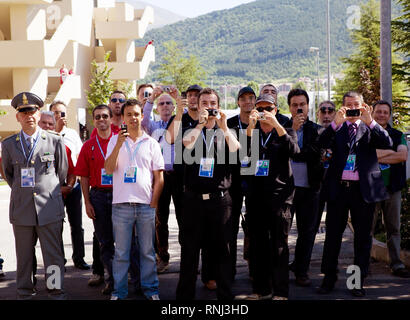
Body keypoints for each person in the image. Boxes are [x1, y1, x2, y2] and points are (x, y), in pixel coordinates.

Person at [317, 91, 393, 297]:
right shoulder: (337, 128)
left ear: (363, 107)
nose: (352, 109)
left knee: (361, 239)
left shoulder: (369, 128)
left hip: (362, 192)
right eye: (348, 105)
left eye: (356, 106)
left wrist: (371, 122)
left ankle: (356, 281)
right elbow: (321, 144)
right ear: (342, 107)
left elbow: (387, 143)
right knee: (333, 236)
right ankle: (329, 279)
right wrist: (335, 123)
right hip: (339, 190)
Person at [175, 88, 240, 300]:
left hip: (220, 202)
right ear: (198, 105)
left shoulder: (226, 130)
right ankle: (184, 300)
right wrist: (201, 124)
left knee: (223, 252)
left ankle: (226, 299)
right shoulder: (190, 128)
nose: (209, 107)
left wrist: (223, 127)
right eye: (205, 103)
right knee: (190, 253)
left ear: (218, 106)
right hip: (193, 201)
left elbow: (238, 151)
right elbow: (185, 145)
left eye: (213, 103)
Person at [1, 92, 68, 299]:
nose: (28, 115)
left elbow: (62, 173)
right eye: (23, 112)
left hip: (49, 208)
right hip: (22, 211)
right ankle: (24, 293)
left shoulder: (55, 141)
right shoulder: (9, 144)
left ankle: (55, 292)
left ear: (39, 114)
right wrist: (24, 193)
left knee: (53, 257)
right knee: (24, 258)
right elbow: (9, 176)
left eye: (32, 111)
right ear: (17, 117)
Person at [234, 94, 299, 300]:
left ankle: (281, 291)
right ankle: (261, 289)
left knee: (279, 244)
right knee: (258, 245)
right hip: (256, 197)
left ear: (276, 111)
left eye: (268, 109)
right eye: (260, 108)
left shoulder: (285, 130)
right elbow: (241, 155)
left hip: (280, 197)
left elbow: (295, 151)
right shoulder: (252, 132)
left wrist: (277, 126)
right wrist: (251, 127)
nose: (264, 113)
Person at [105, 99, 164, 300]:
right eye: (128, 114)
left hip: (146, 205)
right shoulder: (114, 140)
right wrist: (119, 144)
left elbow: (159, 178)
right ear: (123, 118)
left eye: (136, 114)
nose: (133, 118)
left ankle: (151, 290)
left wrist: (154, 204)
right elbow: (108, 169)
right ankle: (118, 292)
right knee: (121, 254)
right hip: (121, 205)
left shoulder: (152, 143)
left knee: (147, 252)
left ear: (142, 116)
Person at [165, 84, 218, 290]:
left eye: (198, 96)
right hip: (185, 184)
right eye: (191, 96)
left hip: (212, 185)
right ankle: (188, 279)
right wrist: (179, 111)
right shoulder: (183, 119)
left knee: (211, 238)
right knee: (188, 235)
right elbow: (169, 138)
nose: (194, 99)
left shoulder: (215, 121)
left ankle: (209, 275)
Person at [285, 88, 324, 287]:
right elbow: (279, 151)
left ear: (308, 106)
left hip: (310, 188)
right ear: (289, 107)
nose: (299, 108)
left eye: (302, 104)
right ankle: (281, 269)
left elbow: (311, 154)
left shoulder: (317, 130)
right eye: (295, 105)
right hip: (286, 189)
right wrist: (292, 129)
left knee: (307, 232)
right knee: (282, 232)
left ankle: (301, 270)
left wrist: (293, 152)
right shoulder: (281, 126)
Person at [75, 105, 116, 295]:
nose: (101, 120)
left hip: (120, 195)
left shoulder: (120, 140)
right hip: (98, 196)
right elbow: (83, 177)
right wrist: (87, 202)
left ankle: (134, 277)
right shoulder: (88, 145)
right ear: (93, 120)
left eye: (105, 116)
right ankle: (112, 280)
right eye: (98, 117)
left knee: (128, 241)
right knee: (105, 241)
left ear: (110, 118)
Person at [141, 86, 183, 273]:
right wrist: (151, 99)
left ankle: (187, 257)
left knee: (185, 218)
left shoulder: (181, 122)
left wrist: (178, 97)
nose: (165, 106)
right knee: (160, 219)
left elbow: (188, 111)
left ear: (173, 107)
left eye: (169, 103)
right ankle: (162, 257)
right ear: (157, 108)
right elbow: (143, 119)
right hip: (160, 176)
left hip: (179, 175)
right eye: (162, 103)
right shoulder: (153, 127)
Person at [372, 100, 410, 278]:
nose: (381, 115)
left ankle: (396, 263)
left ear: (389, 115)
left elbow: (402, 156)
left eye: (385, 112)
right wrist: (389, 153)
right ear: (372, 113)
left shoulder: (397, 134)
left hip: (392, 188)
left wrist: (378, 155)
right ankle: (364, 263)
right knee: (367, 228)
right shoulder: (366, 134)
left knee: (393, 228)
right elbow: (367, 156)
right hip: (371, 188)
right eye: (378, 111)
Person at [50, 101, 89, 270]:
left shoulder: (72, 134)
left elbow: (79, 157)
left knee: (76, 224)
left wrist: (75, 181)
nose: (60, 116)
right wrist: (56, 131)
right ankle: (60, 260)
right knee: (56, 225)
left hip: (73, 185)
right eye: (56, 113)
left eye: (62, 113)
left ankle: (79, 258)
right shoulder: (46, 135)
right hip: (54, 186)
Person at [227, 86, 256, 280]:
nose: (247, 101)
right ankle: (229, 271)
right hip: (234, 180)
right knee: (230, 227)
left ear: (255, 101)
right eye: (243, 98)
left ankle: (254, 270)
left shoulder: (261, 123)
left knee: (254, 227)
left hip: (254, 180)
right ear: (238, 102)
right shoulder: (229, 124)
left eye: (251, 98)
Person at [315, 101, 337, 233]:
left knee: (334, 228)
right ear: (318, 114)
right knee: (311, 226)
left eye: (330, 112)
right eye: (323, 111)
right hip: (316, 185)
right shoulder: (312, 132)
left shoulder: (341, 133)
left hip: (335, 185)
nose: (326, 115)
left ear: (335, 114)